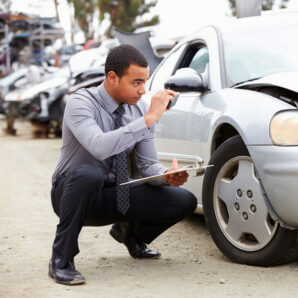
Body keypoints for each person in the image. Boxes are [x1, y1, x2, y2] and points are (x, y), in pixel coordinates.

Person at [49, 44, 198, 285]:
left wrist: (167, 175)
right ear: (112, 77)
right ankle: (61, 260)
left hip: (117, 194)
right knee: (90, 174)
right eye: (136, 82)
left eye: (145, 82)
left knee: (184, 200)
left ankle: (129, 234)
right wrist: (147, 119)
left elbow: (149, 166)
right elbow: (99, 146)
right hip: (72, 194)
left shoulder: (139, 109)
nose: (143, 90)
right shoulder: (81, 103)